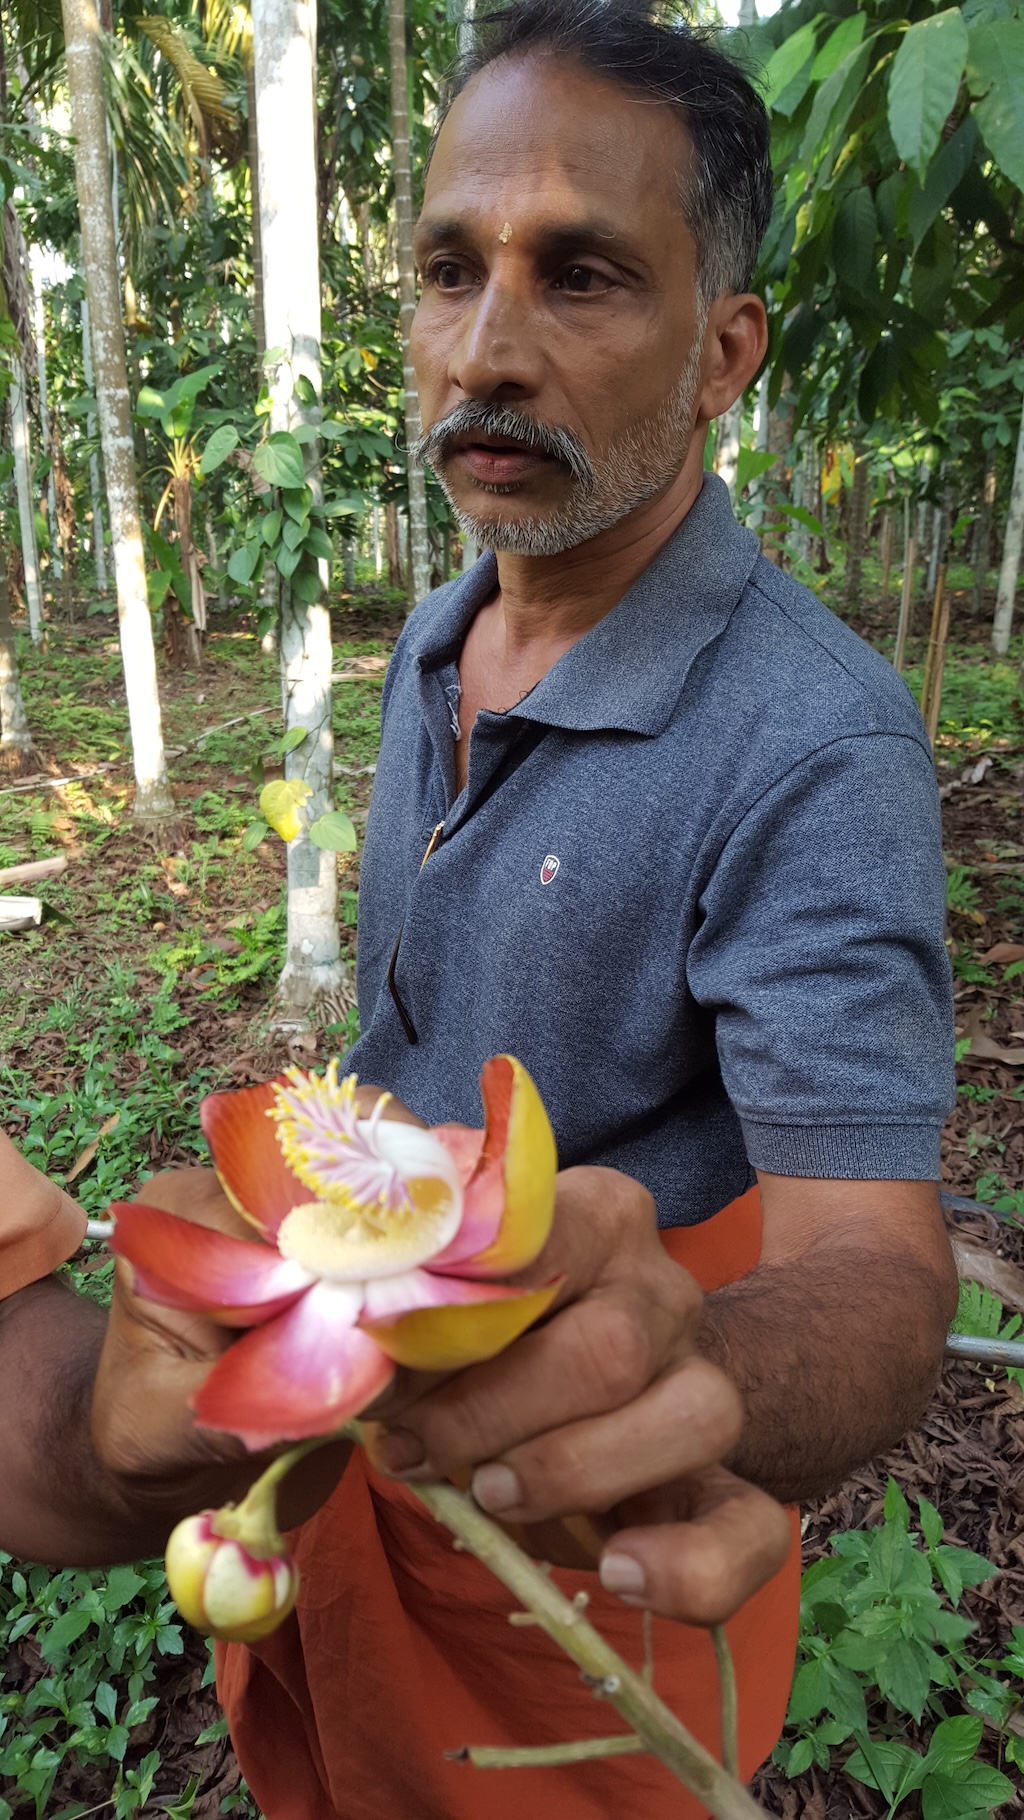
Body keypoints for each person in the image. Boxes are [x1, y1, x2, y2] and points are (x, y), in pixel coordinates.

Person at [2, 4, 957, 1817]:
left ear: (725, 345)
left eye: (581, 277)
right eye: (450, 271)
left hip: (570, 1518)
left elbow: (883, 1271)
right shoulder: (444, 635)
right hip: (345, 1443)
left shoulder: (814, 739)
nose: (487, 350)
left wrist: (685, 1368)